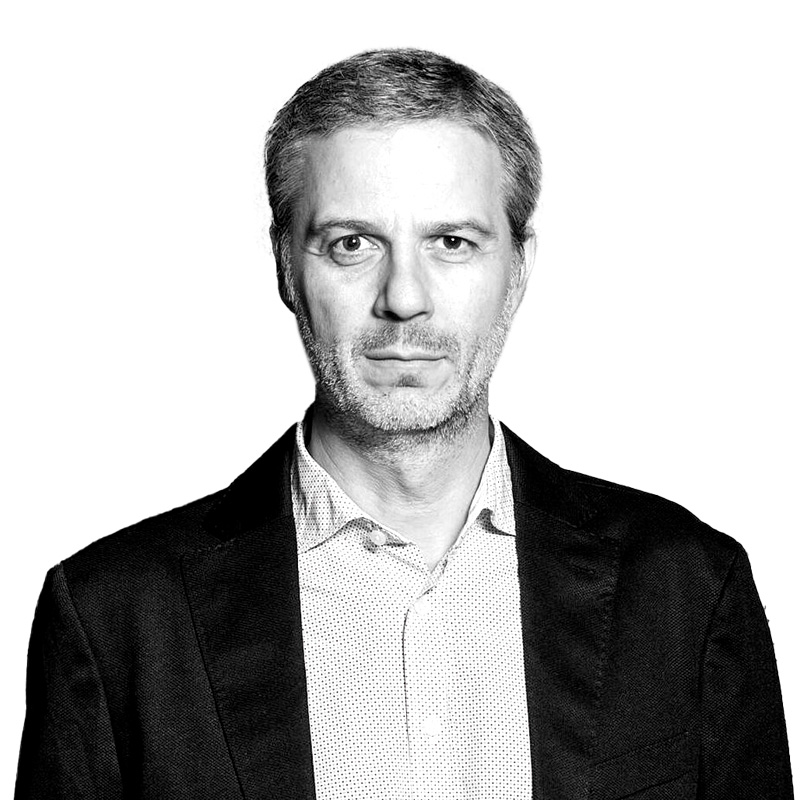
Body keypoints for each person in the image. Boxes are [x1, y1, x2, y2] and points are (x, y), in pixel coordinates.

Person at [14, 48, 793, 800]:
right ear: (287, 267)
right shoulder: (115, 617)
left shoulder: (687, 589)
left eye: (451, 243)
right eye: (352, 245)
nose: (404, 298)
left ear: (518, 269)